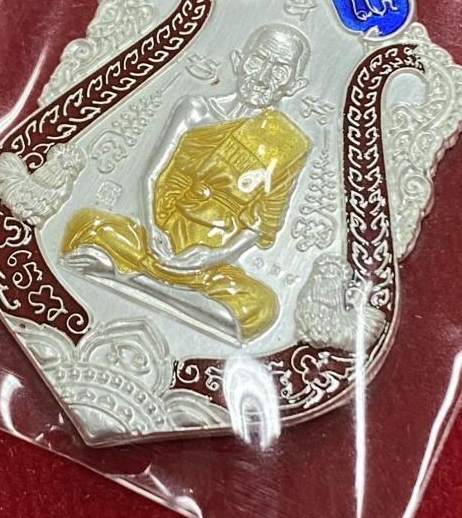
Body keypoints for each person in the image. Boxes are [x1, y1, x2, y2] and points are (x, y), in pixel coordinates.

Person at [62, 23, 312, 340]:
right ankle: (178, 297)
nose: (263, 77)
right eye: (258, 60)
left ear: (294, 85)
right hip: (158, 235)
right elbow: (151, 175)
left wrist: (214, 256)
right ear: (239, 60)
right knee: (86, 224)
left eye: (279, 71)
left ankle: (134, 279)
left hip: (209, 260)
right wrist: (153, 231)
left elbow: (263, 224)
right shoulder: (195, 110)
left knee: (261, 308)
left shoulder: (290, 143)